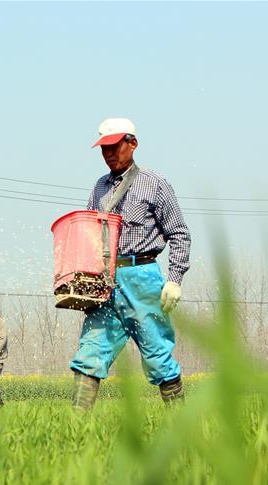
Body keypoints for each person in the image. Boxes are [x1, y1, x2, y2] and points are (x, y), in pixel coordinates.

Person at [70, 117, 191, 409]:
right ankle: (74, 428)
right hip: (106, 281)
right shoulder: (100, 187)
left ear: (132, 143)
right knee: (90, 353)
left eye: (114, 147)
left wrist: (174, 278)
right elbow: (88, 233)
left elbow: (179, 234)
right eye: (104, 149)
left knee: (158, 355)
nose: (109, 154)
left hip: (143, 277)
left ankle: (181, 424)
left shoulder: (155, 183)